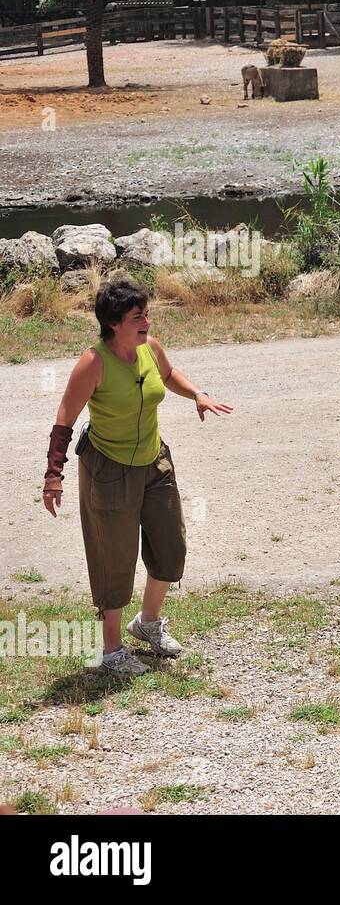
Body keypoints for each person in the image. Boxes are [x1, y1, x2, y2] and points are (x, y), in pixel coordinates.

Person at [42, 278, 234, 677]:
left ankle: (147, 624)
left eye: (147, 314)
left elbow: (168, 374)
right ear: (114, 323)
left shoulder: (149, 347)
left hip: (154, 461)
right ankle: (112, 652)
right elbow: (64, 419)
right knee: (114, 558)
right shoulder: (93, 363)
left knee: (170, 547)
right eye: (138, 316)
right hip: (109, 469)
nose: (146, 321)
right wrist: (53, 475)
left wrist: (197, 393)